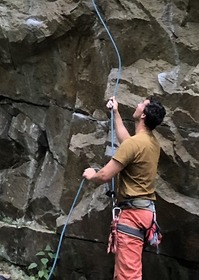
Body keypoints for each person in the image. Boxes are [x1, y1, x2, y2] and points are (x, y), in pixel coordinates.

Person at [83, 96, 166, 280]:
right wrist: (116, 112)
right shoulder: (151, 143)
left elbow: (105, 175)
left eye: (141, 104)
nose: (137, 105)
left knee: (128, 276)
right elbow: (126, 140)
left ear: (143, 114)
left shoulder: (135, 144)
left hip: (133, 215)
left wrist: (91, 175)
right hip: (145, 214)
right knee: (127, 271)